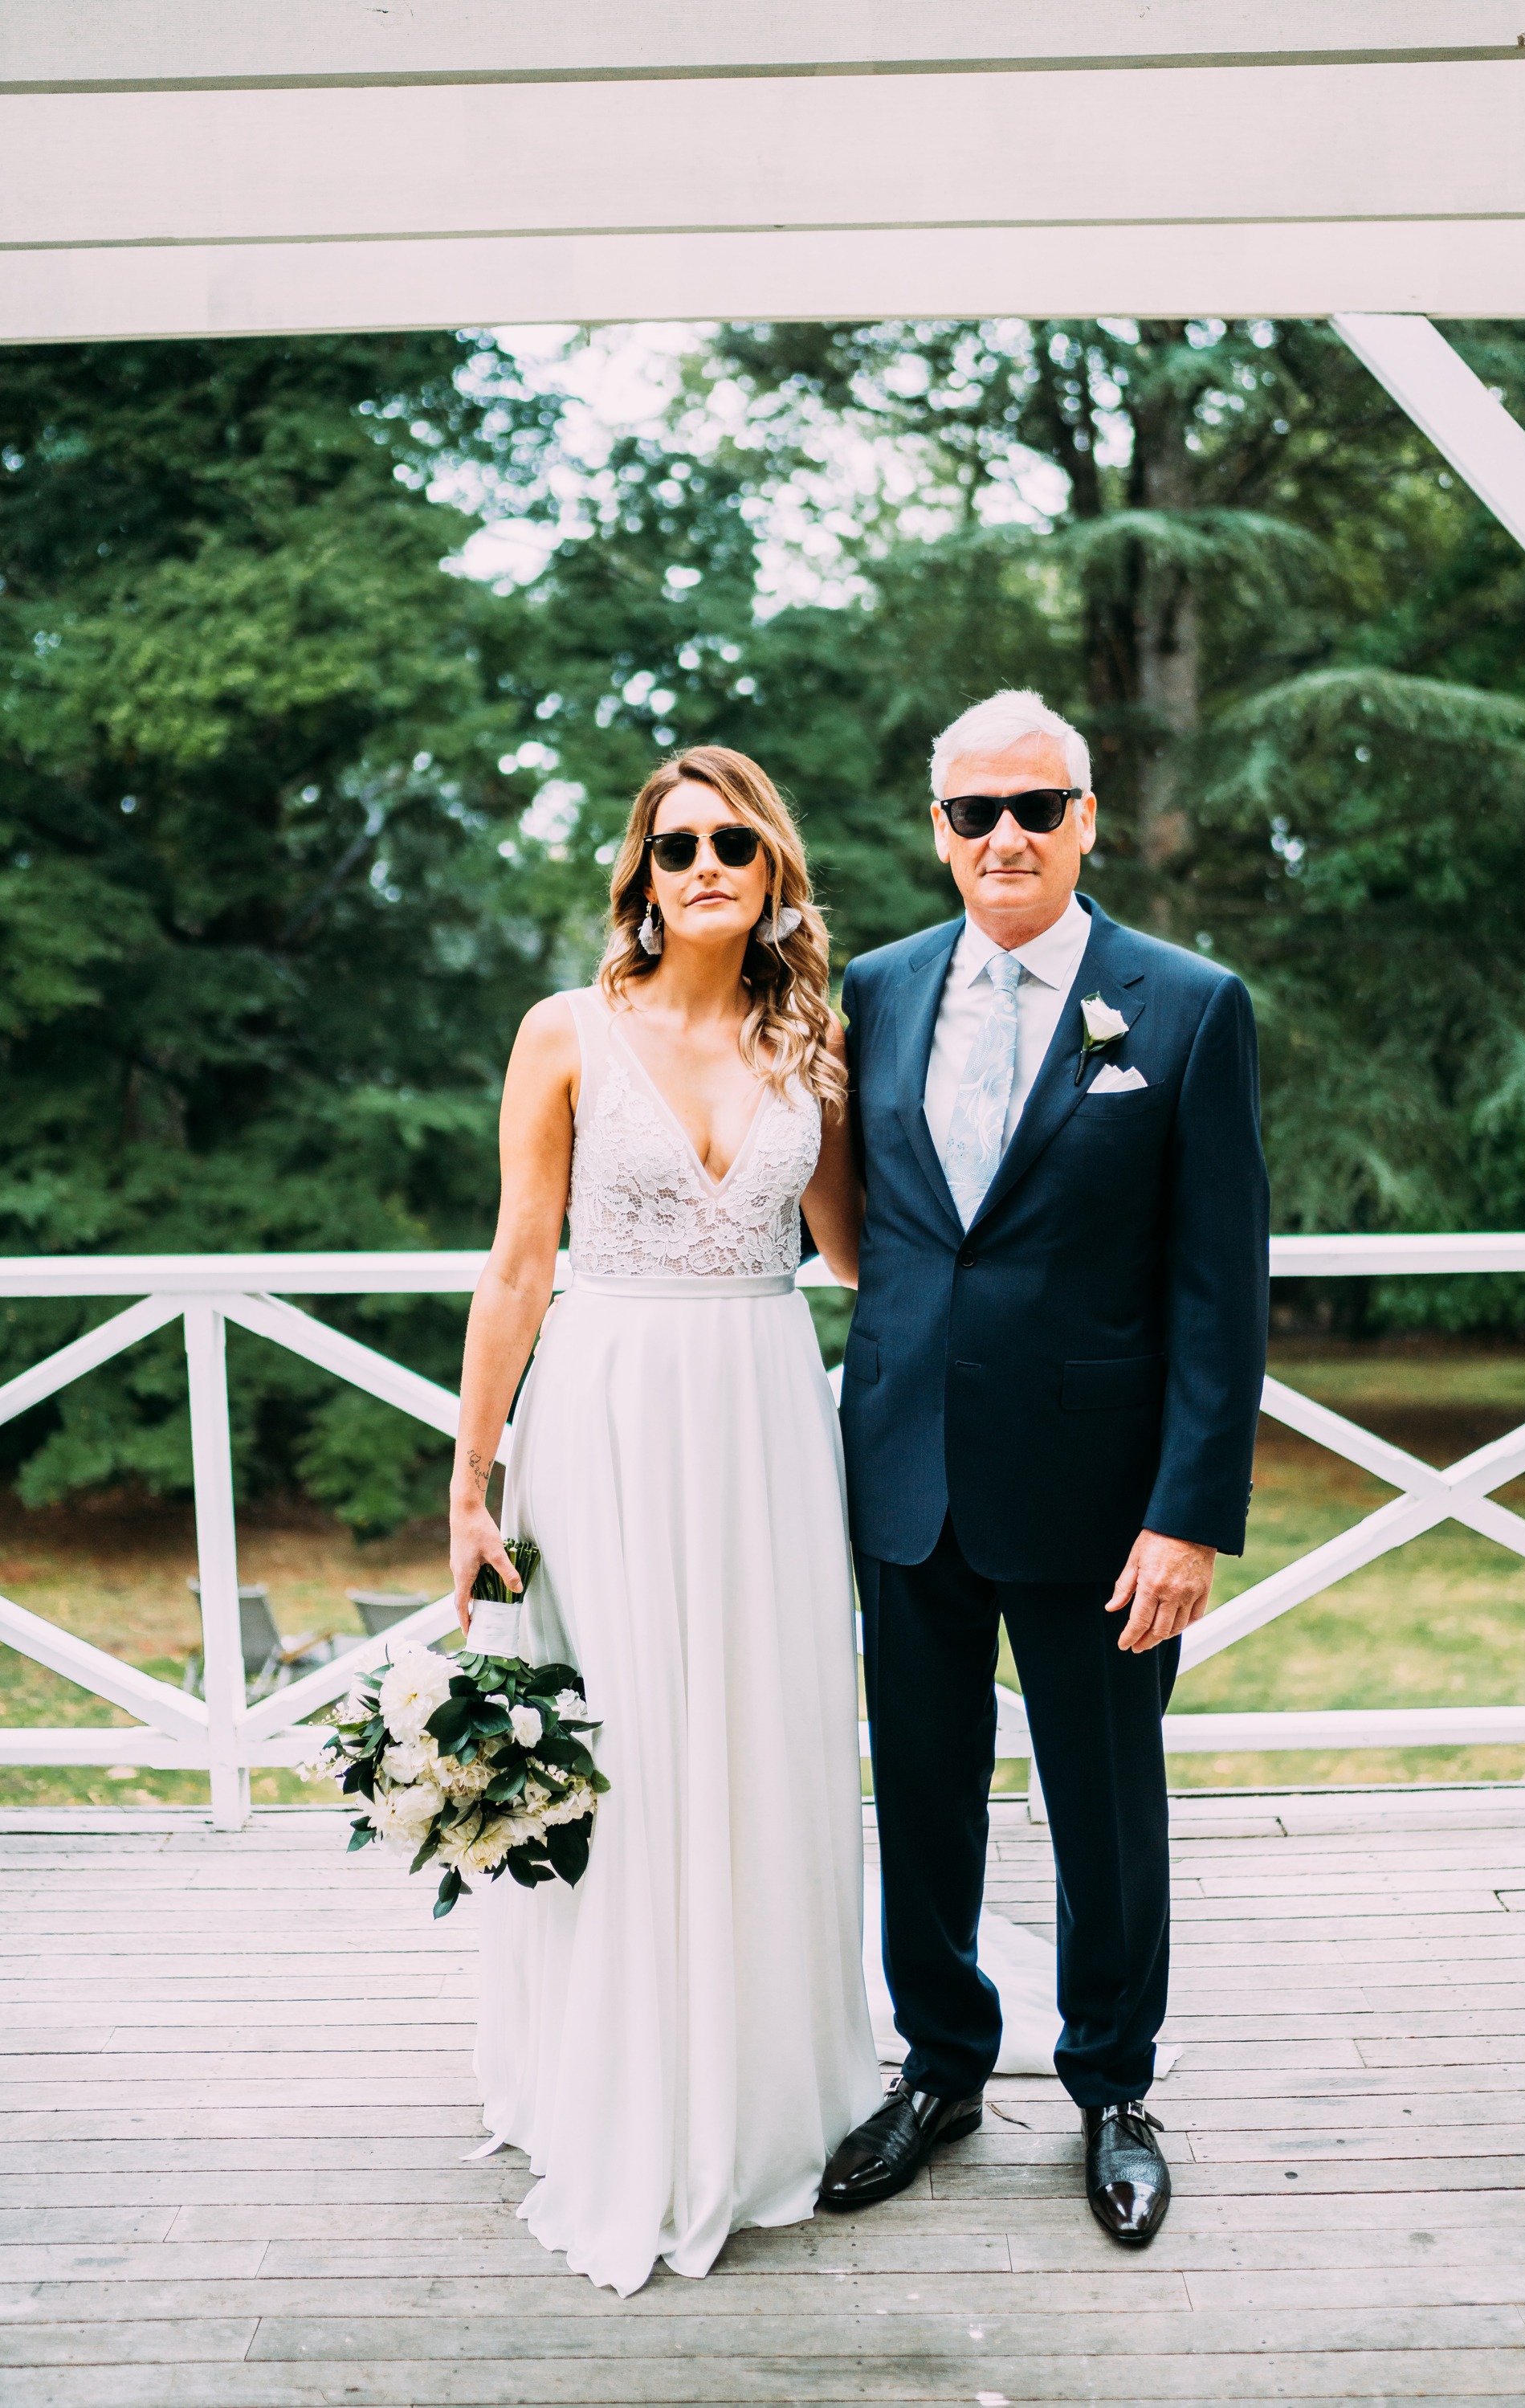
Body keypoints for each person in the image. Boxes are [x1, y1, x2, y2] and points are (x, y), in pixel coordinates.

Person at [822, 689, 1269, 2244]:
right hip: (905, 1472)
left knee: (1104, 1805)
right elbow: (864, 1218)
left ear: (1085, 815)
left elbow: (1222, 1289)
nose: (1002, 835)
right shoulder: (873, 993)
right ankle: (941, 2063)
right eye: (971, 812)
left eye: (1033, 806)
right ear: (933, 831)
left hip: (1097, 1497)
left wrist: (1189, 1510)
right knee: (922, 1796)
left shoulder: (1186, 1005)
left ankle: (1113, 2085)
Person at [448, 745, 883, 2298]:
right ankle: (622, 2088)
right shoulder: (565, 1031)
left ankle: (765, 2074)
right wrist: (471, 1475)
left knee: (762, 1733)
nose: (707, 863)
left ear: (772, 875)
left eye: (737, 844)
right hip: (612, 1405)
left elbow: (856, 1261)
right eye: (678, 841)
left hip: (766, 1412)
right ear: (641, 869)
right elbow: (516, 1261)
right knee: (621, 1743)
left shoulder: (812, 1041)